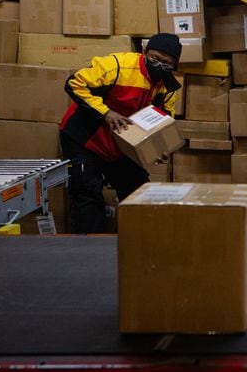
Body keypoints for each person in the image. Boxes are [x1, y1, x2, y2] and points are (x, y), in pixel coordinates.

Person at [59, 33, 183, 234]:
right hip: (85, 139)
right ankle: (89, 250)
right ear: (144, 52)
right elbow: (74, 83)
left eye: (167, 64)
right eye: (155, 59)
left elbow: (161, 124)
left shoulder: (168, 88)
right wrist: (106, 113)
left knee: (139, 191)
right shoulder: (118, 65)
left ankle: (133, 243)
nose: (159, 66)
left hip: (120, 145)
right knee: (87, 193)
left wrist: (158, 148)